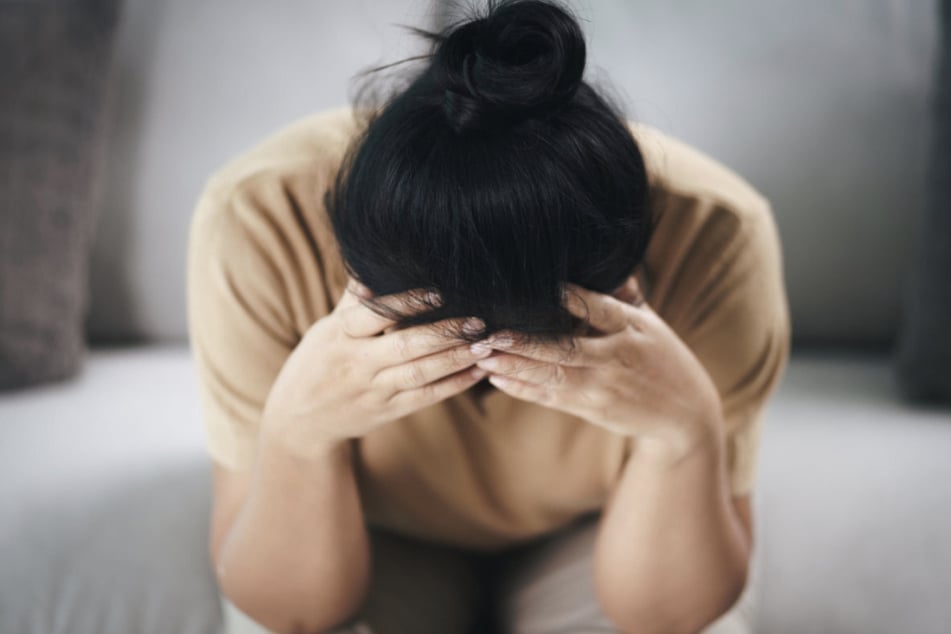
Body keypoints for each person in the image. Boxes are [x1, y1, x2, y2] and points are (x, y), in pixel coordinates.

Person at [186, 1, 791, 632]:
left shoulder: (717, 236)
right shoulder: (258, 217)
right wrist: (296, 437)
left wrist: (684, 433)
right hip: (365, 518)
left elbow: (671, 616)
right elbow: (290, 612)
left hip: (601, 520)